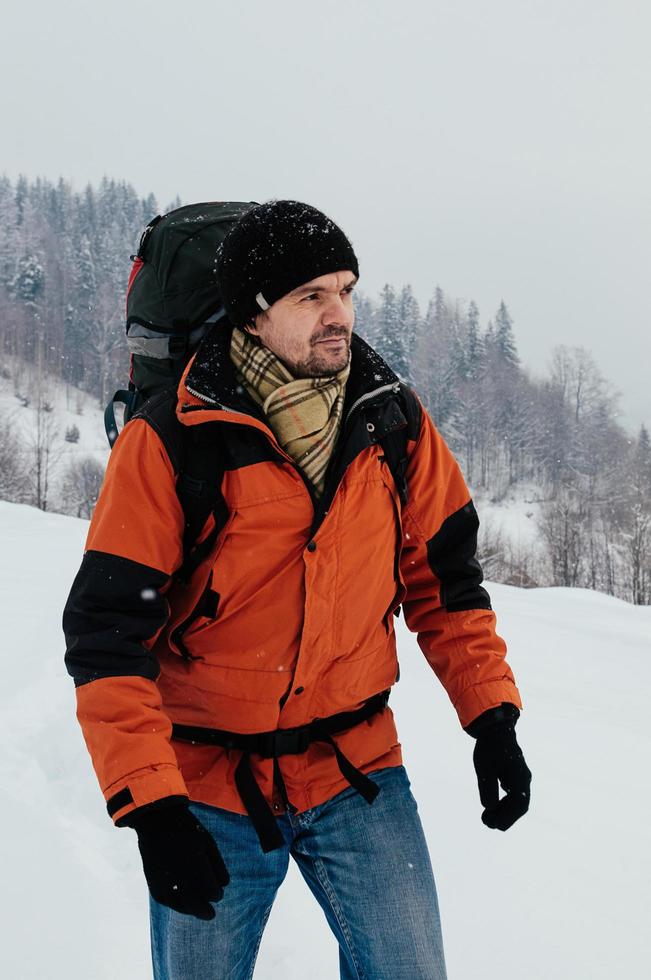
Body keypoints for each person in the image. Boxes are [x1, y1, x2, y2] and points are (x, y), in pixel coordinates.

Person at [63, 200, 531, 980]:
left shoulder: (391, 421)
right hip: (209, 782)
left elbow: (444, 582)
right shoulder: (173, 438)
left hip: (356, 768)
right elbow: (108, 633)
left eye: (345, 290)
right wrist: (151, 805)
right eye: (311, 296)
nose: (337, 314)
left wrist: (492, 718)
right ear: (253, 313)